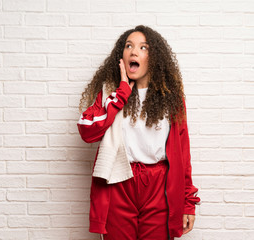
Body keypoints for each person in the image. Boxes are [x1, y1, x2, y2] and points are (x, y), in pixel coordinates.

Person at [77, 25, 200, 240]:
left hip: (159, 186)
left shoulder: (171, 98)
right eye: (129, 46)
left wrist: (188, 202)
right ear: (121, 56)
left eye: (143, 47)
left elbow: (183, 154)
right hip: (119, 182)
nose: (134, 51)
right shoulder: (110, 93)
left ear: (154, 58)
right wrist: (122, 93)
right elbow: (87, 131)